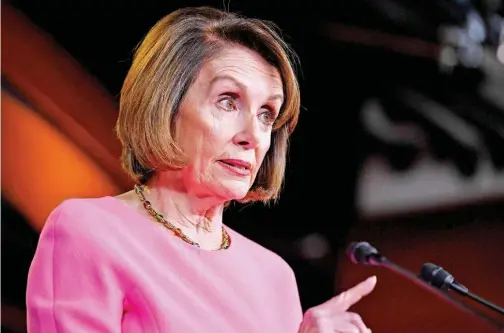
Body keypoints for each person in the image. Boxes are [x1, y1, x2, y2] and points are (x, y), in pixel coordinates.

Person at [26, 6, 377, 333]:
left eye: (266, 114)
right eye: (228, 101)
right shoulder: (89, 231)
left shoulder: (275, 277)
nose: (253, 136)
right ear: (167, 105)